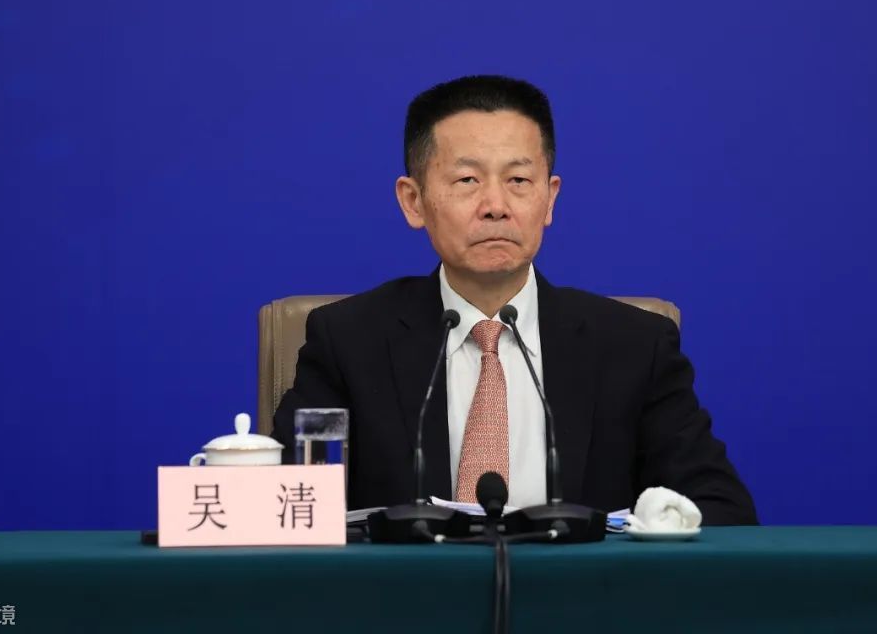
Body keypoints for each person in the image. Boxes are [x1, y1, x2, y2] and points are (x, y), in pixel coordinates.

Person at [273, 75, 758, 525]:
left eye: (519, 181)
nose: (496, 206)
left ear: (549, 199)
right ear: (413, 201)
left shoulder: (634, 346)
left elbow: (721, 512)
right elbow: (280, 504)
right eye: (467, 180)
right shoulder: (349, 341)